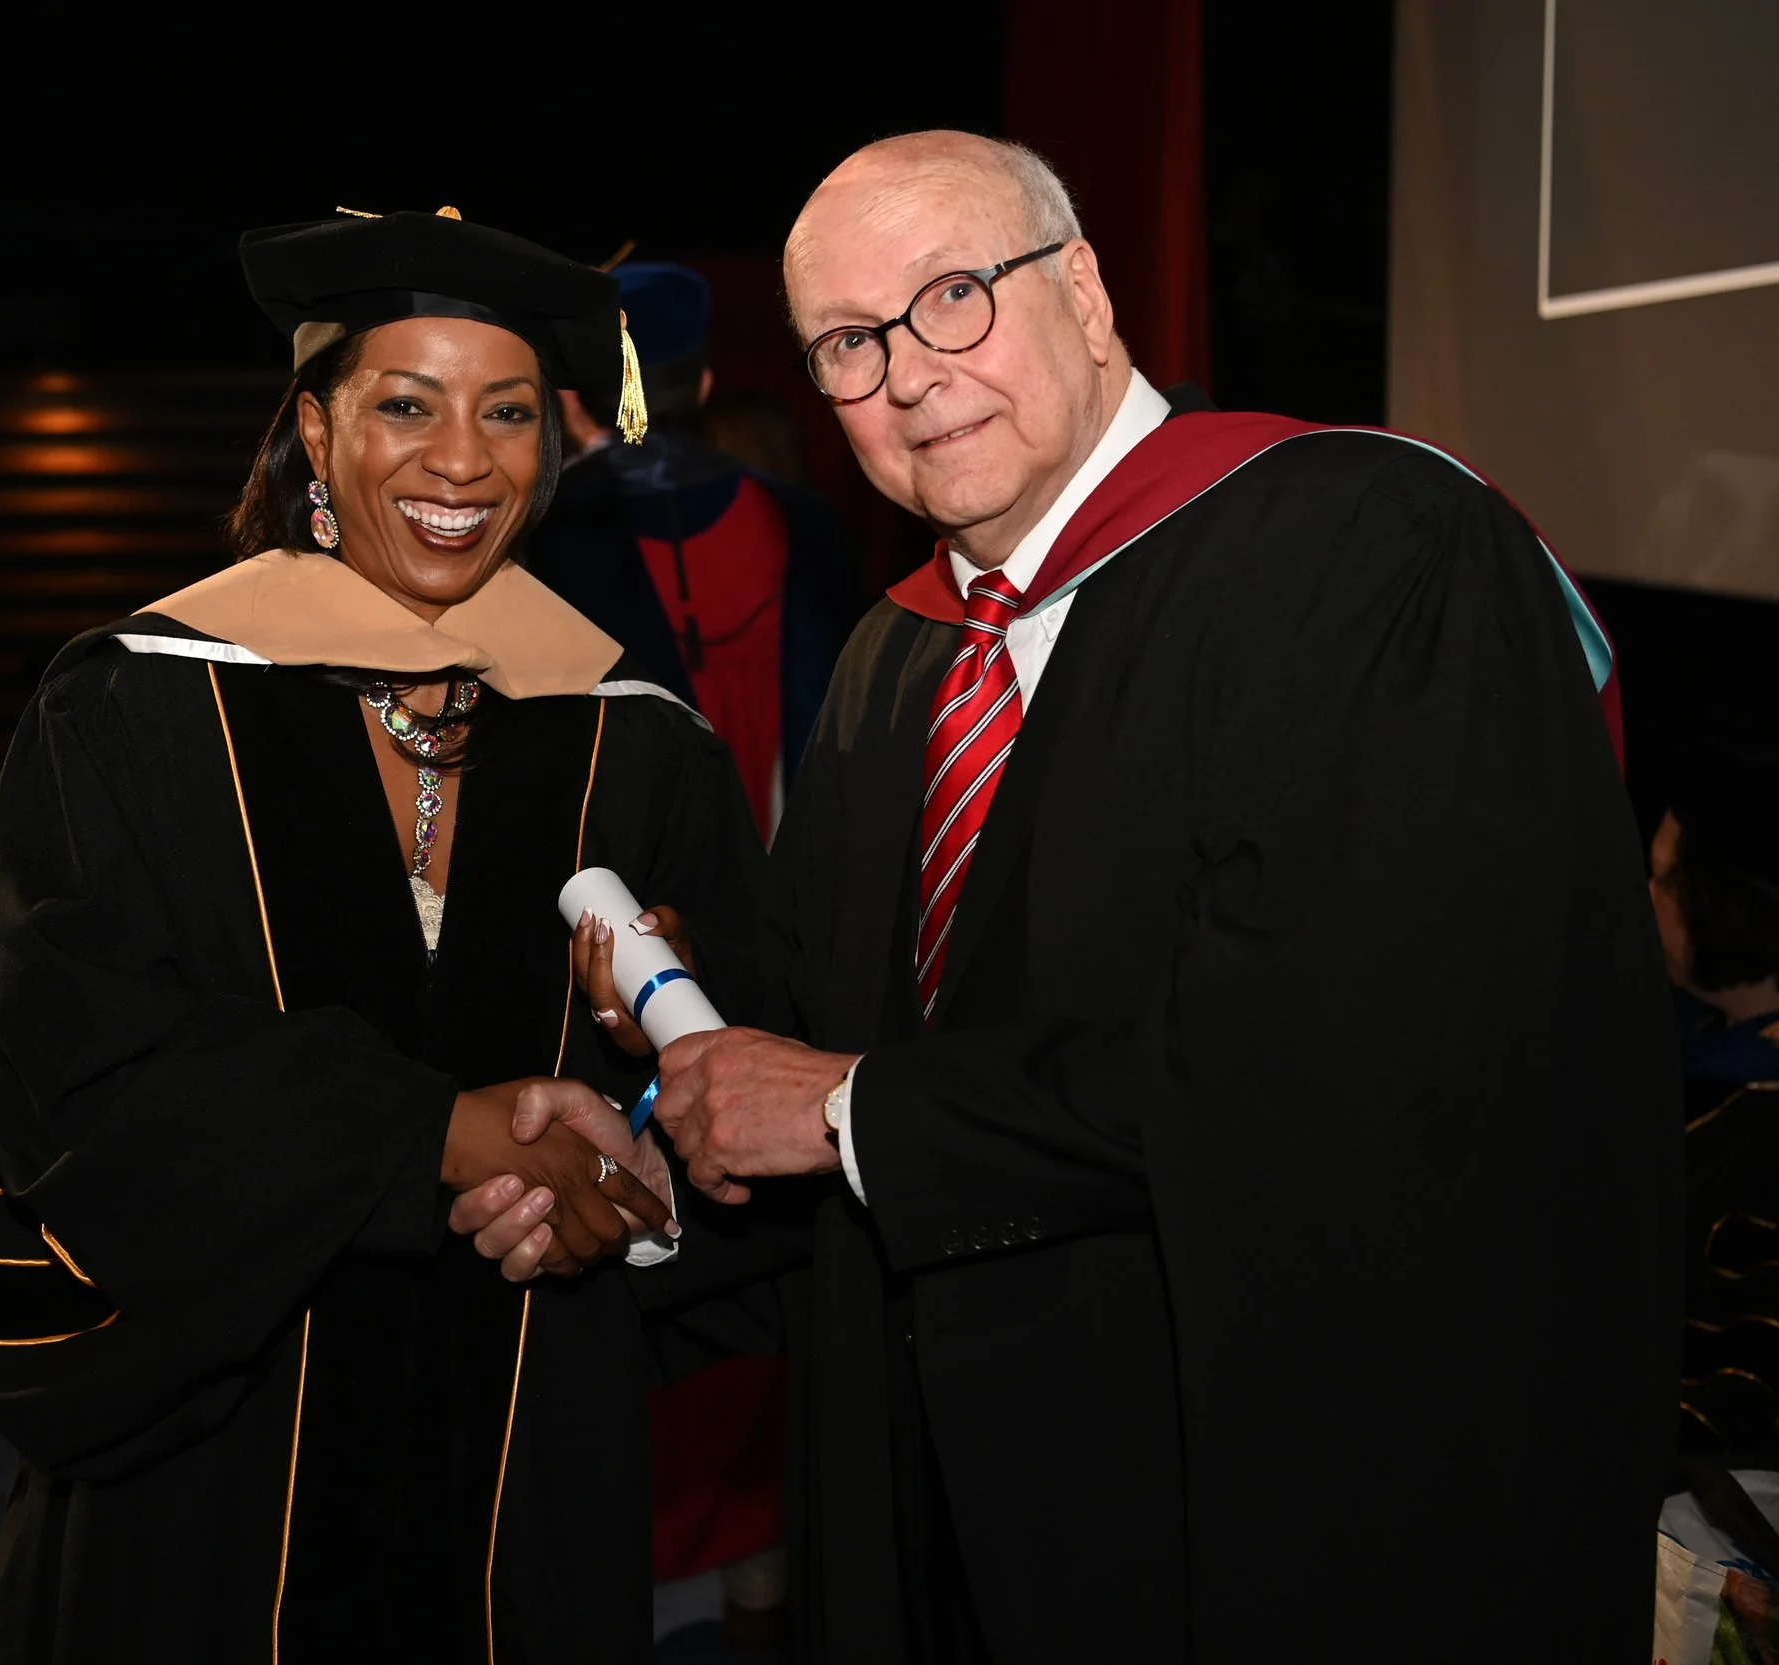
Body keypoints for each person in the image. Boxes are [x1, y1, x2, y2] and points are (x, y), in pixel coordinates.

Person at [477, 131, 1680, 1662]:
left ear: (1090, 295)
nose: (910, 374)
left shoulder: (1364, 548)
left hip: (1255, 1488)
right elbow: (789, 1051)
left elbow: (1337, 1061)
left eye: (956, 295)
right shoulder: (891, 661)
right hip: (945, 1516)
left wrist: (845, 1111)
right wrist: (638, 1169)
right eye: (852, 342)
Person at [0, 207, 769, 1664]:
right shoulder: (135, 710)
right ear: (313, 430)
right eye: (405, 403)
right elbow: (77, 1079)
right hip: (211, 1476)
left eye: (508, 412)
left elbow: (751, 1096)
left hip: (523, 1464)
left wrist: (634, 1170)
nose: (462, 459)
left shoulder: (637, 747)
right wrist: (441, 1134)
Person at [527, 262, 859, 840]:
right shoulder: (802, 521)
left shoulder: (538, 531)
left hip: (620, 864)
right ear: (705, 385)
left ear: (576, 402)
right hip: (792, 852)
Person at [1652, 752, 1779, 1449]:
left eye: (1664, 876)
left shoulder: (1762, 1129)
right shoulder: (1678, 1031)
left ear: (1723, 905)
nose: (1645, 894)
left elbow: (1741, 1387)